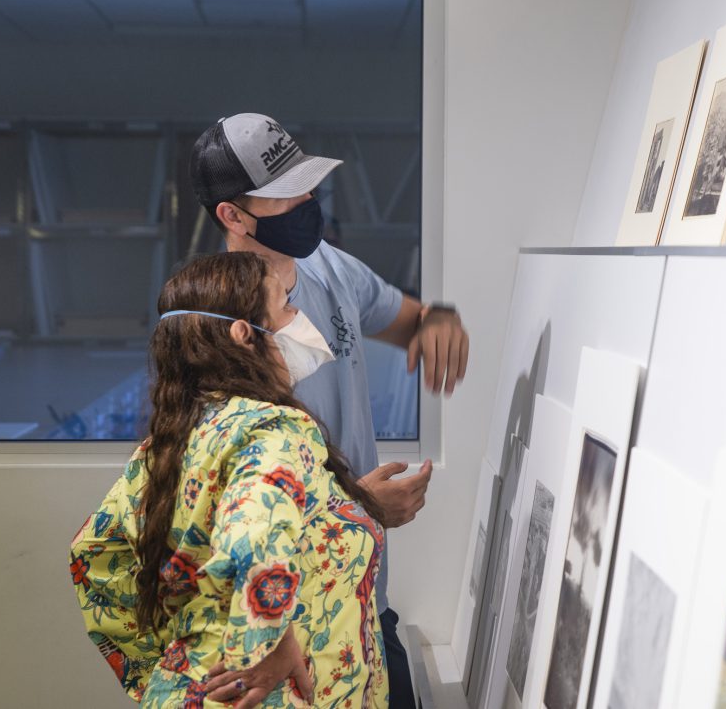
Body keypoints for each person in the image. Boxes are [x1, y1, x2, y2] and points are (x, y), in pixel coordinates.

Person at [189, 113, 471, 707]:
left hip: (366, 601)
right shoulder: (209, 330)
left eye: (307, 184)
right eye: (285, 195)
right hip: (281, 634)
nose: (307, 201)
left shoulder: (329, 269)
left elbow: (410, 320)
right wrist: (361, 506)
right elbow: (233, 515)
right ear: (232, 216)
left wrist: (435, 320)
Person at [70, 252, 388, 707]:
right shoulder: (273, 430)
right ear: (244, 334)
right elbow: (253, 535)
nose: (299, 318)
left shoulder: (169, 443)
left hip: (194, 690)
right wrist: (269, 644)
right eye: (285, 305)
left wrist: (161, 671)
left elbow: (94, 556)